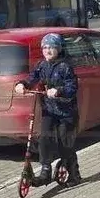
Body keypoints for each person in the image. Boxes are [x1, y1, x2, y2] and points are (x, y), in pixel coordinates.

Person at [14, 33, 81, 186]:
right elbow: (32, 77)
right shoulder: (42, 65)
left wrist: (58, 91)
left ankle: (74, 173)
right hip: (49, 110)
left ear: (58, 49)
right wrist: (22, 84)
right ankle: (45, 169)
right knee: (44, 138)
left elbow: (72, 87)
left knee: (65, 143)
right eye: (45, 47)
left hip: (66, 112)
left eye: (51, 47)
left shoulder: (65, 66)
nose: (47, 50)